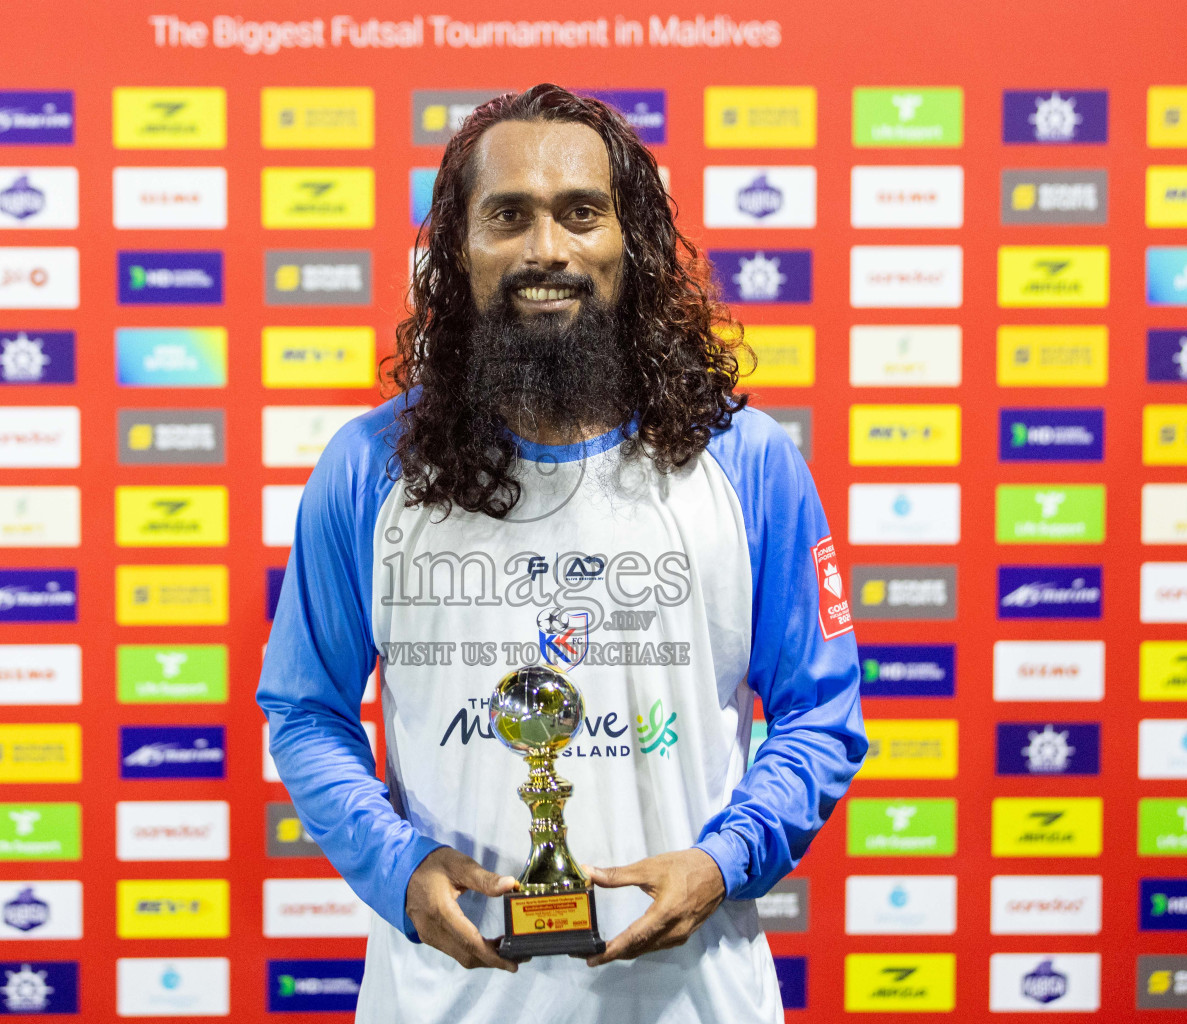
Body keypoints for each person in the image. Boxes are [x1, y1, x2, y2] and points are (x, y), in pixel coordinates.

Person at [257, 83, 866, 1023]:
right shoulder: (368, 469)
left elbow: (821, 713)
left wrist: (722, 861)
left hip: (691, 1001)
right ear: (456, 252)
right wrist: (400, 869)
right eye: (508, 216)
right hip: (443, 1002)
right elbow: (304, 712)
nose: (547, 249)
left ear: (635, 244)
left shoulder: (746, 462)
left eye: (582, 213)